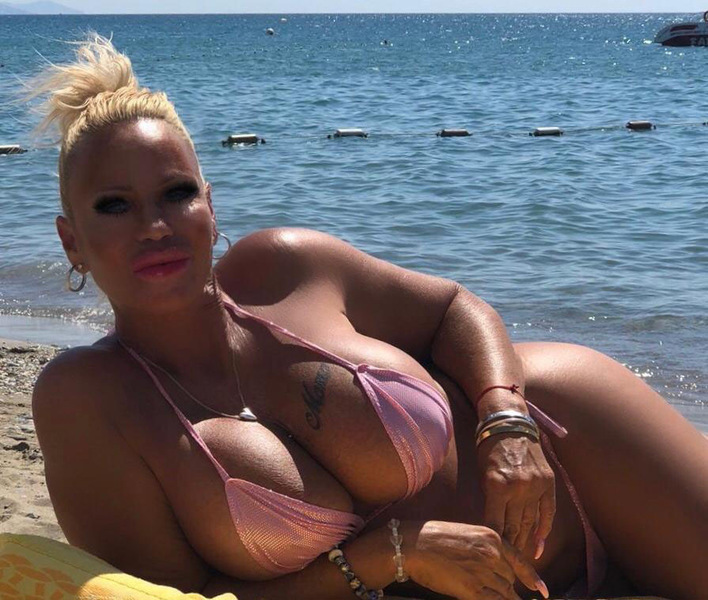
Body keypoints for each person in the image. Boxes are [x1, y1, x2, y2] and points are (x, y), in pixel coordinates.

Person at [28, 35, 707, 600]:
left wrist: (507, 422)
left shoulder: (283, 267)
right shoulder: (90, 399)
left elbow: (452, 308)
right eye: (114, 206)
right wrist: (392, 555)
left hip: (580, 449)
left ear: (210, 205)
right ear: (71, 241)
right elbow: (183, 597)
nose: (154, 226)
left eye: (176, 193)